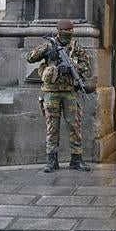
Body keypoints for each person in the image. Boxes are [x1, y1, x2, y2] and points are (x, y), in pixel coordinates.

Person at [26, 19, 91, 173]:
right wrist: (47, 53)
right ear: (58, 32)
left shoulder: (76, 48)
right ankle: (51, 160)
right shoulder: (49, 45)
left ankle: (76, 159)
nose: (68, 36)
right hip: (51, 93)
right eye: (65, 33)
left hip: (70, 92)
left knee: (74, 126)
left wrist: (73, 68)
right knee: (52, 127)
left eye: (70, 33)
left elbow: (87, 65)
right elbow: (30, 57)